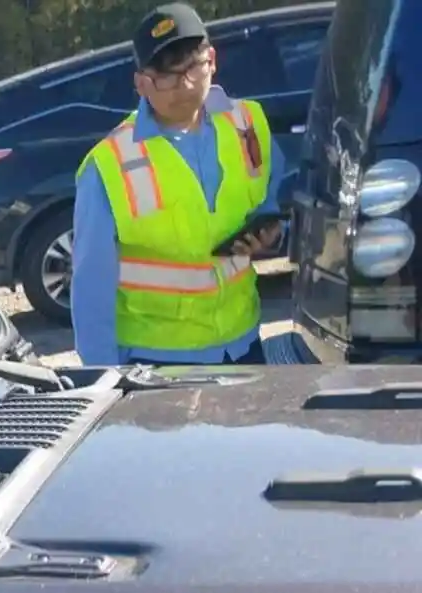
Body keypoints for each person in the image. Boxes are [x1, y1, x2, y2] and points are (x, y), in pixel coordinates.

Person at [70, 4, 289, 367]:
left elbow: (271, 199)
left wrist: (270, 233)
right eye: (167, 76)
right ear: (141, 83)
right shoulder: (109, 164)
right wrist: (102, 378)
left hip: (242, 345)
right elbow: (91, 289)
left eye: (192, 66)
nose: (185, 84)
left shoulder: (247, 124)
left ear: (212, 60)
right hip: (157, 361)